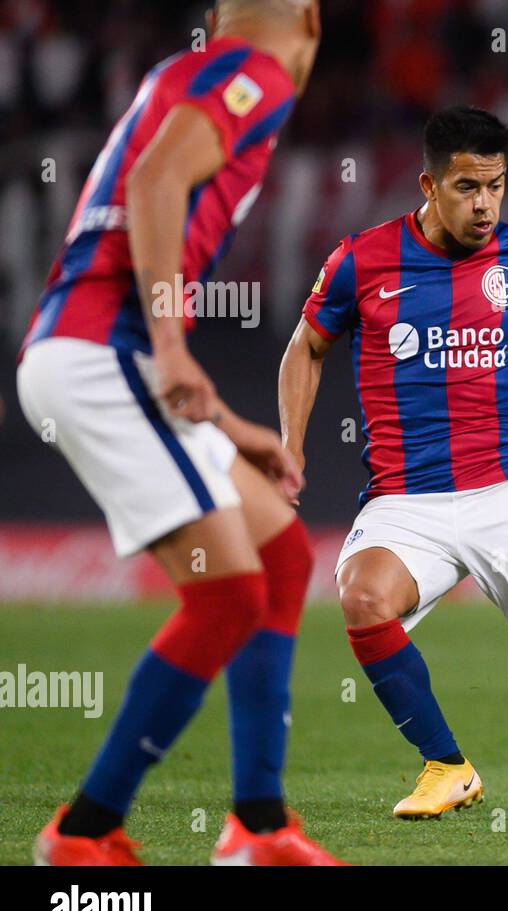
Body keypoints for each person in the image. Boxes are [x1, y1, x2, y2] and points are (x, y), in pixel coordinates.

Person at [19, 0, 341, 864]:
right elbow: (155, 183)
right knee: (226, 594)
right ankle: (84, 831)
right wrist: (167, 341)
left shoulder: (183, 73)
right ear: (308, 18)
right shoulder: (255, 75)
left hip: (95, 350)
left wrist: (234, 427)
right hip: (103, 354)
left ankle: (260, 826)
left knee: (280, 556)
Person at [279, 106, 508, 820]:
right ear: (429, 183)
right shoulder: (362, 259)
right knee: (361, 596)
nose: (485, 204)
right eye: (468, 187)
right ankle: (447, 767)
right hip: (404, 496)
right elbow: (306, 344)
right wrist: (290, 442)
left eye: (497, 186)